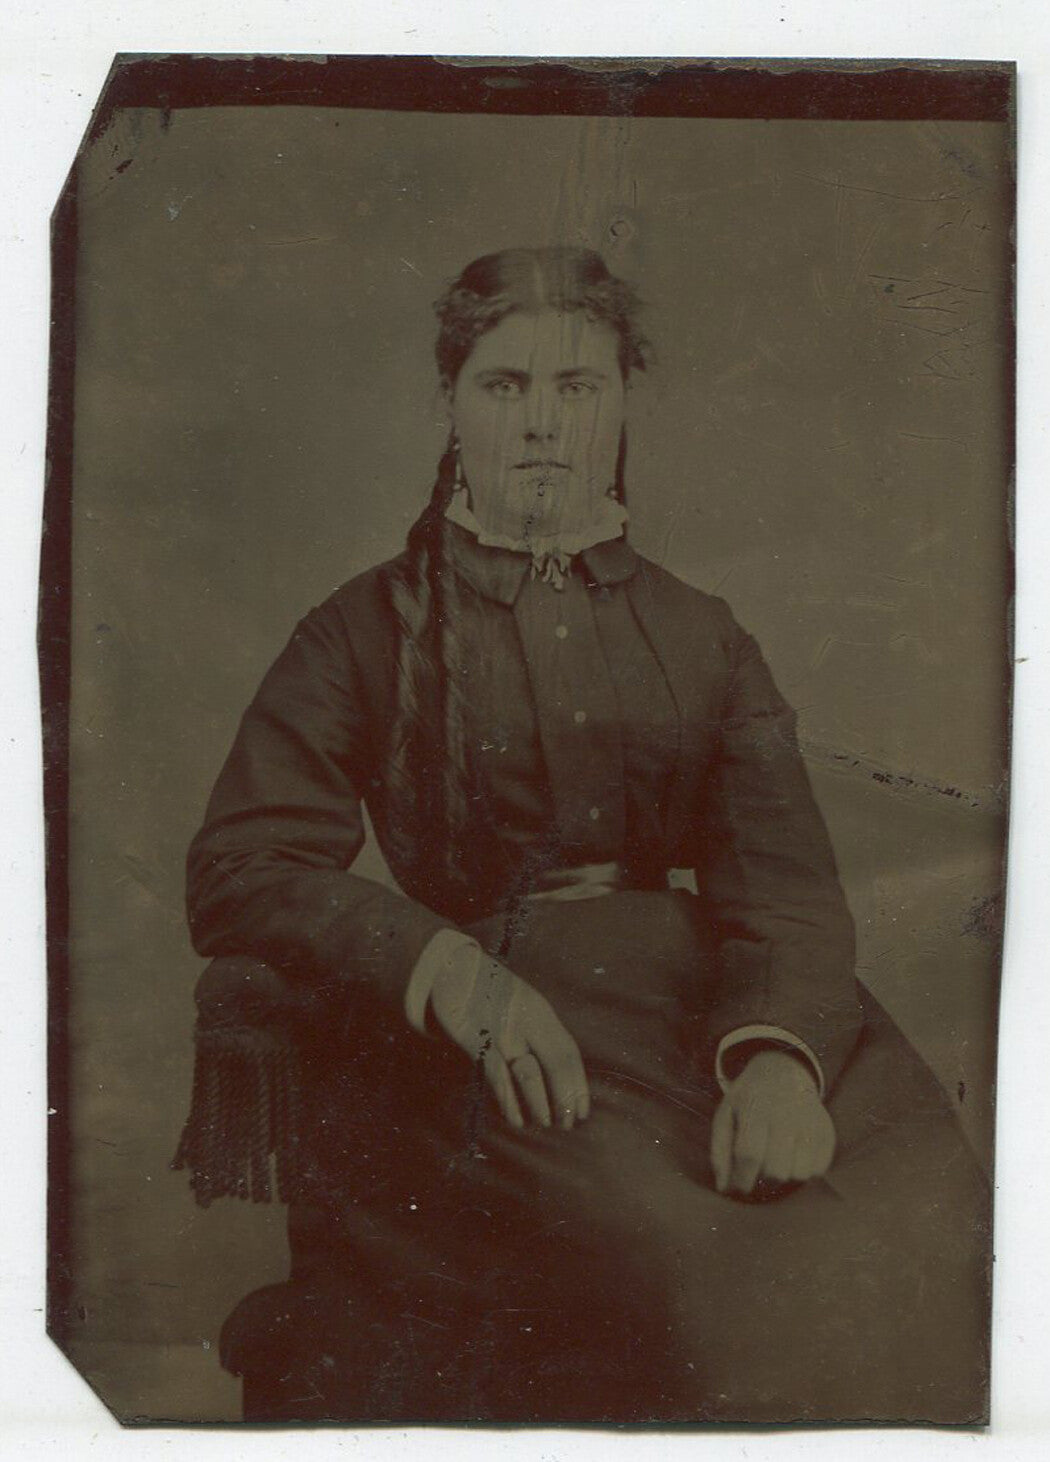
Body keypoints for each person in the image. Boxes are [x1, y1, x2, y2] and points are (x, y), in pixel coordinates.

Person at [184, 247, 990, 1424]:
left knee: (936, 1220)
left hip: (701, 1003)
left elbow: (787, 888)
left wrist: (775, 1057)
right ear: (451, 404)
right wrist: (446, 967)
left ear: (623, 405)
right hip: (485, 1036)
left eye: (581, 388)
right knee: (692, 1261)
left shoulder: (701, 633)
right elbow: (241, 865)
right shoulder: (361, 630)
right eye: (506, 386)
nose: (544, 426)